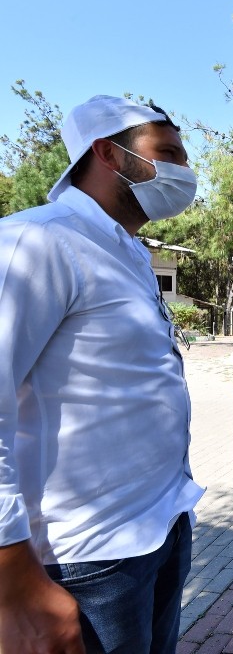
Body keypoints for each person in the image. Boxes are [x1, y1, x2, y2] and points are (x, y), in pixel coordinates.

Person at [0, 95, 205, 653]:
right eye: (167, 153)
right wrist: (12, 576)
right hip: (85, 562)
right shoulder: (39, 241)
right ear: (106, 153)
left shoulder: (129, 252)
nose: (183, 170)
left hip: (157, 531)